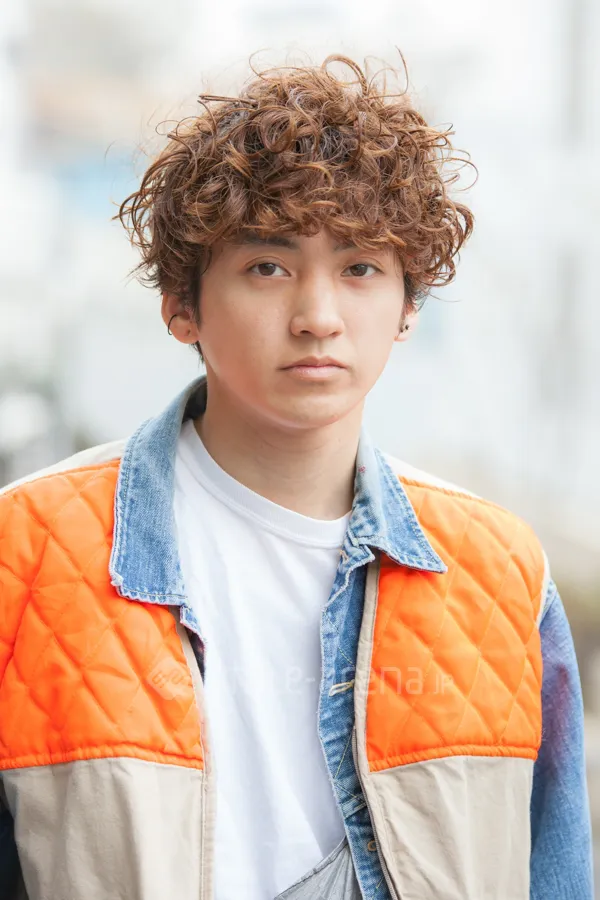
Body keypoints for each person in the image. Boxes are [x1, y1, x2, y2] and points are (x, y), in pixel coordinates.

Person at [0, 53, 593, 900]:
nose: (318, 317)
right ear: (181, 305)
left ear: (407, 307)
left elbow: (555, 872)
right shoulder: (25, 550)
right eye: (268, 267)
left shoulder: (500, 570)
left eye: (360, 268)